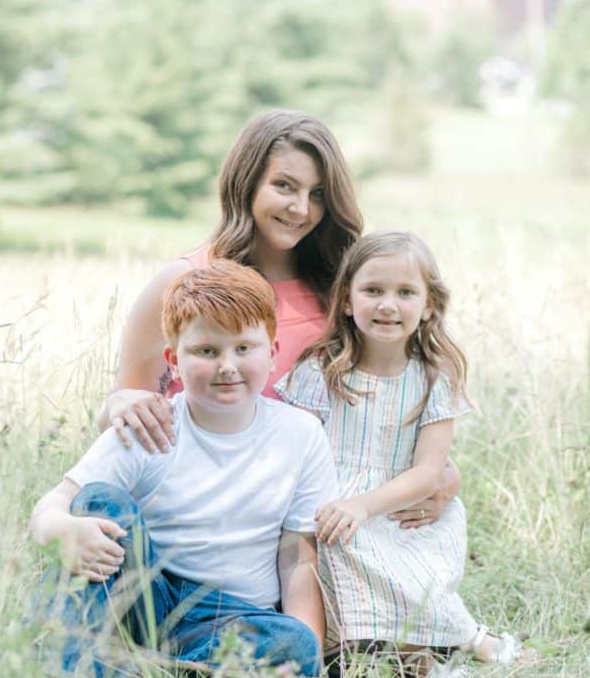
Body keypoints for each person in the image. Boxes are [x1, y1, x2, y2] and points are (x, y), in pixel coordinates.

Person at [99, 109, 457, 529]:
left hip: (306, 517)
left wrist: (444, 479)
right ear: (246, 182)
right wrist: (120, 403)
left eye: (319, 194)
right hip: (198, 508)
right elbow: (121, 417)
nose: (301, 208)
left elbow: (392, 401)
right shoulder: (184, 283)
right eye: (284, 186)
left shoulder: (341, 291)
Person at [29, 261, 339, 678]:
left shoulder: (300, 434)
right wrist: (59, 527)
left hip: (229, 616)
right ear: (174, 360)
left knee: (296, 645)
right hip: (145, 594)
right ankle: (62, 668)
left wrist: (313, 667)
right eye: (207, 351)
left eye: (244, 348)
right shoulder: (151, 425)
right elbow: (55, 501)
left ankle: (134, 667)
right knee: (99, 502)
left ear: (273, 350)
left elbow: (297, 559)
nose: (227, 366)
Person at [275, 231, 522, 678]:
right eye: (373, 291)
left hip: (399, 507)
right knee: (343, 543)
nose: (388, 304)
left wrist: (364, 505)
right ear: (347, 300)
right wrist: (347, 506)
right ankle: (451, 644)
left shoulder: (433, 379)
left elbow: (430, 471)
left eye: (405, 293)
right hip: (334, 504)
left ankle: (441, 644)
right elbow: (295, 453)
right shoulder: (320, 372)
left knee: (402, 556)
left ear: (429, 305)